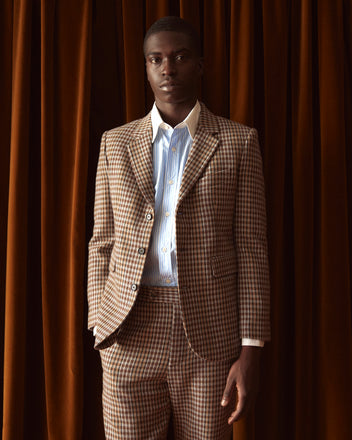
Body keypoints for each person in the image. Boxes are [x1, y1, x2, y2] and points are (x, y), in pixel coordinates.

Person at [87, 16, 270, 440]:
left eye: (180, 57)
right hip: (127, 328)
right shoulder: (115, 143)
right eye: (156, 59)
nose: (168, 69)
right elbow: (102, 242)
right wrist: (101, 321)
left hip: (209, 335)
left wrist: (251, 350)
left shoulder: (239, 143)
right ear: (147, 68)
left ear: (199, 66)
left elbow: (251, 248)